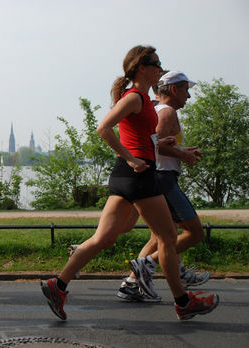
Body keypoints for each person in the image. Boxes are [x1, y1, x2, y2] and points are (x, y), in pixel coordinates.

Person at [40, 45, 219, 321]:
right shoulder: (135, 96)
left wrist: (164, 144)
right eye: (157, 64)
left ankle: (58, 285)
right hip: (137, 175)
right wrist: (132, 158)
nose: (160, 68)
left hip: (126, 175)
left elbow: (141, 135)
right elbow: (104, 128)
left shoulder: (146, 101)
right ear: (141, 68)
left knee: (105, 238)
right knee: (168, 237)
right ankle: (183, 302)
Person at [117, 71, 210, 302]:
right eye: (186, 90)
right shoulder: (167, 112)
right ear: (175, 90)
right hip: (164, 179)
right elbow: (158, 146)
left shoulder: (157, 109)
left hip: (157, 177)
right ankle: (146, 266)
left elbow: (156, 144)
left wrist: (182, 152)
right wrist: (182, 154)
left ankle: (131, 283)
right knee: (194, 232)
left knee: (160, 237)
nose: (188, 96)